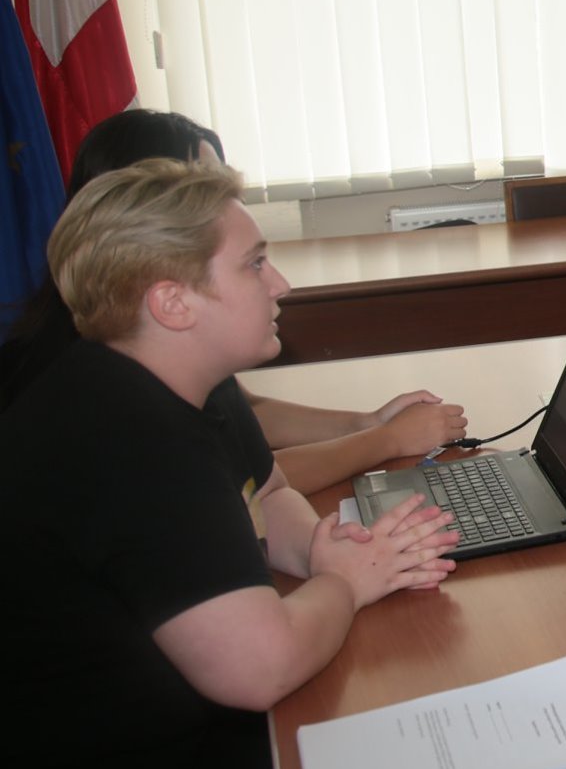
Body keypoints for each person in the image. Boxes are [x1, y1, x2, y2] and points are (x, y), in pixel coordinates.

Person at [2, 160, 461, 769]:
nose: (280, 282)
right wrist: (345, 583)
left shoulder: (183, 379)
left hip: (169, 749)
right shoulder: (124, 438)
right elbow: (257, 668)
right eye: (254, 264)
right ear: (172, 301)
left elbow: (268, 488)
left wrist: (315, 546)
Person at [0, 108, 467, 491]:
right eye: (199, 183)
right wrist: (385, 441)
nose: (223, 198)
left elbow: (246, 415)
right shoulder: (92, 376)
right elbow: (242, 485)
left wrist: (365, 422)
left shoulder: (155, 338)